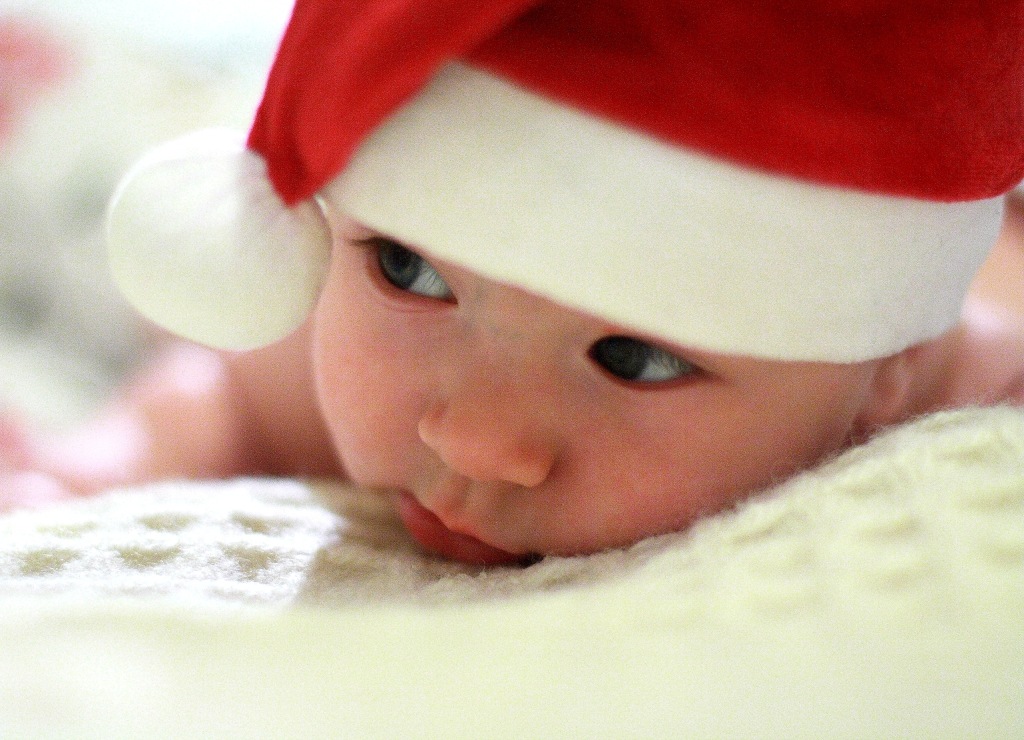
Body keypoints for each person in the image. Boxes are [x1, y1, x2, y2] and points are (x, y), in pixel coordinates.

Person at [2, 0, 1023, 566]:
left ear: (889, 369)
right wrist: (86, 474)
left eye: (635, 357)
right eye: (408, 272)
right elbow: (221, 392)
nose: (475, 439)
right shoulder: (321, 316)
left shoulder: (966, 404)